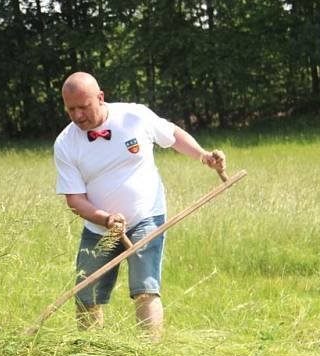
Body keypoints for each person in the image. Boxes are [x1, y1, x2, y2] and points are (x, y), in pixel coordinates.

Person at [53, 72, 225, 339]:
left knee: (145, 288)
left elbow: (173, 135)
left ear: (100, 98)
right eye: (70, 109)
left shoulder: (133, 117)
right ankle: (90, 352)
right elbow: (74, 199)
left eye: (83, 107)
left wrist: (203, 155)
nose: (77, 116)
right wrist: (105, 218)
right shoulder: (65, 144)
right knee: (86, 294)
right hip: (100, 228)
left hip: (146, 216)